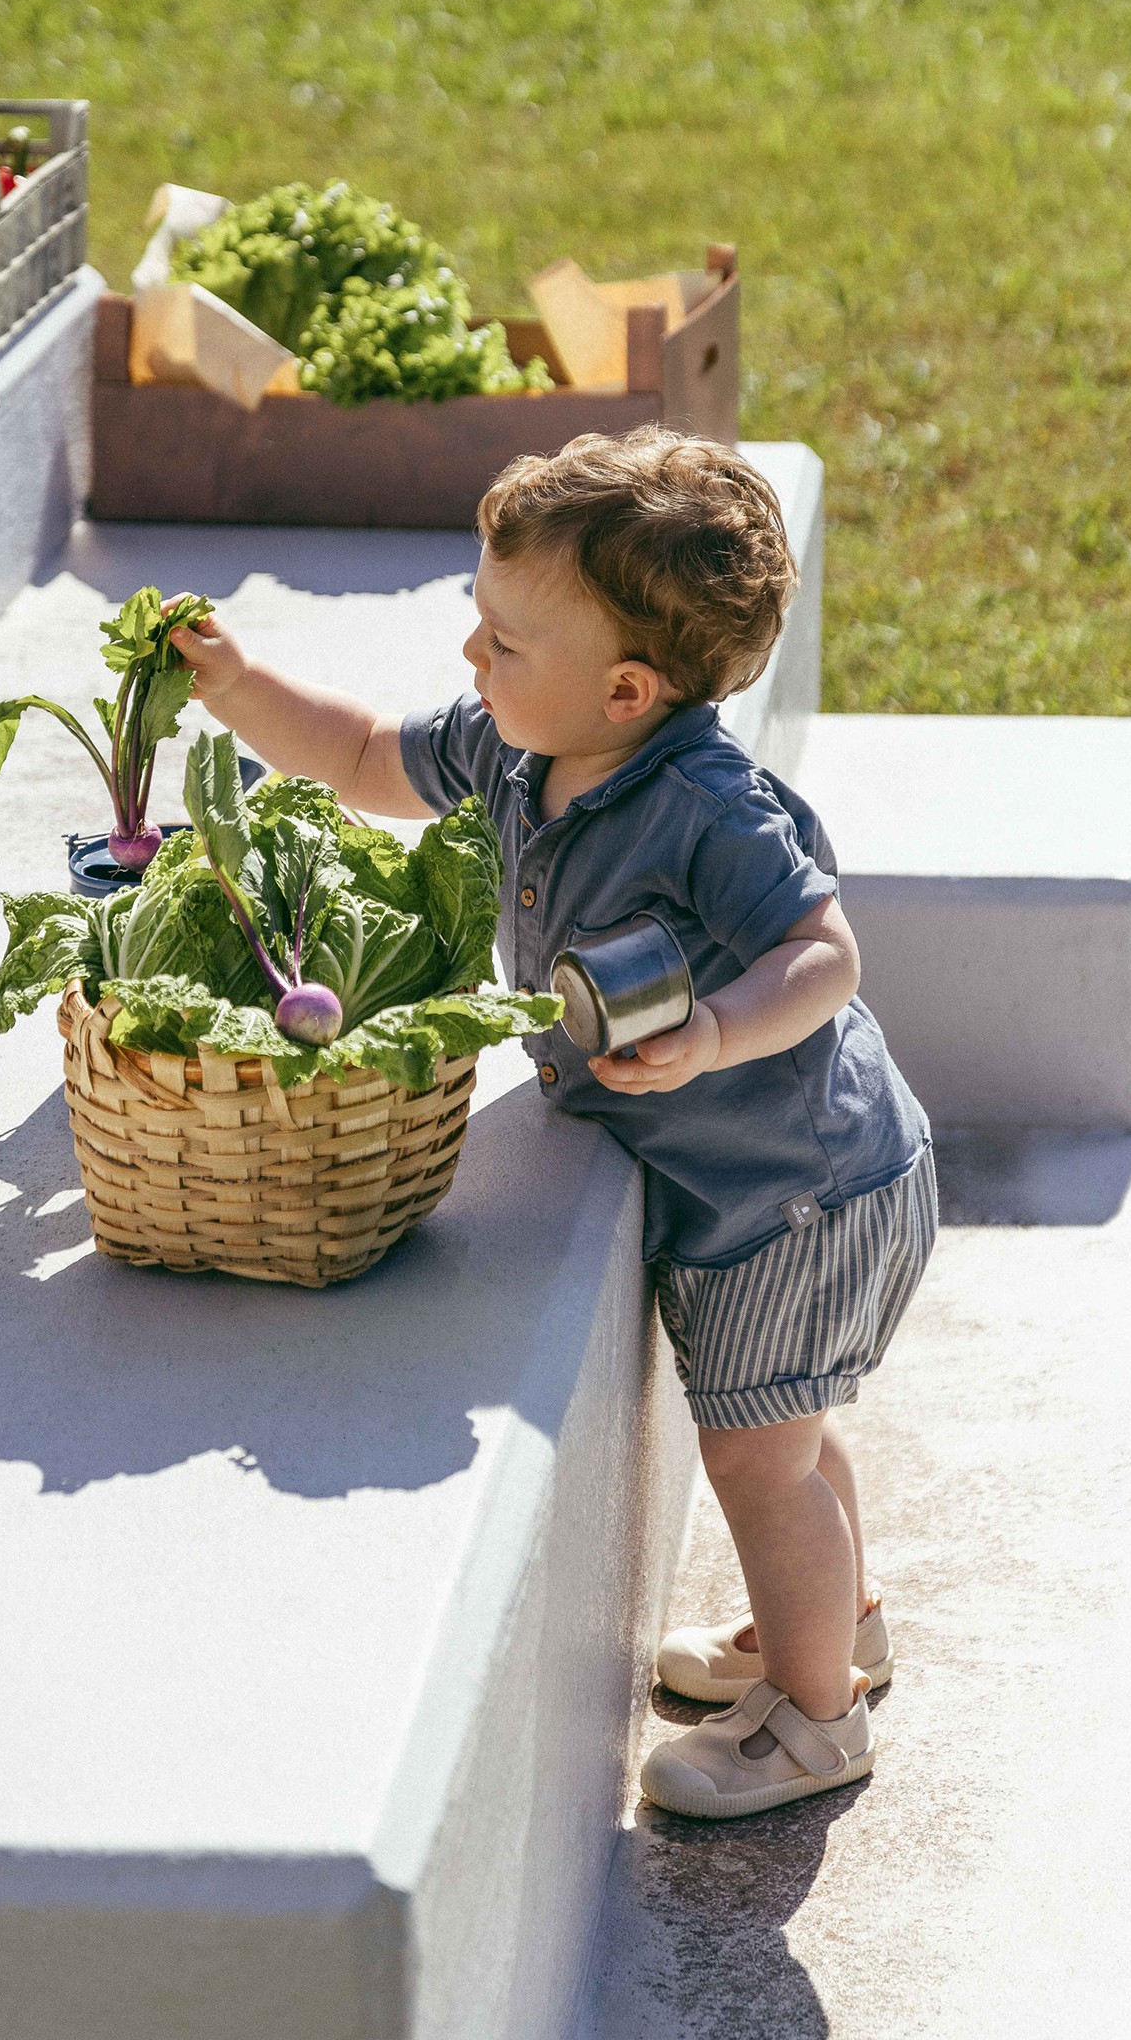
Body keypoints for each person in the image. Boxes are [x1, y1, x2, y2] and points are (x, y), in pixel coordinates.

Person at [170, 427, 935, 1820]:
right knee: (795, 1430)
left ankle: (817, 1717)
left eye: (504, 640)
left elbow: (827, 959)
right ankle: (837, 1626)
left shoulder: (704, 805)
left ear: (627, 689)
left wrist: (709, 1032)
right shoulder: (524, 753)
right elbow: (350, 752)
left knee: (758, 1453)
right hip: (791, 1179)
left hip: (798, 1185)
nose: (473, 658)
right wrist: (234, 686)